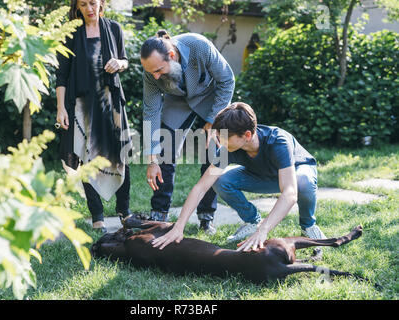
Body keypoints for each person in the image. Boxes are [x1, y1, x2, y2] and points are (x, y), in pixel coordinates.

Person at [152, 102, 326, 252]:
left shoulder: (278, 141)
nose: (220, 141)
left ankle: (308, 225)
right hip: (262, 176)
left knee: (304, 181)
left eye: (224, 138)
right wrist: (179, 226)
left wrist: (263, 230)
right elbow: (201, 187)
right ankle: (252, 221)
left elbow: (289, 193)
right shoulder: (227, 150)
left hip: (294, 174)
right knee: (221, 181)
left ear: (247, 135)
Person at [140, 30, 235, 234]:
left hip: (211, 98)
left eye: (158, 70)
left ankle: (206, 217)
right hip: (178, 102)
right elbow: (151, 111)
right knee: (164, 153)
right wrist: (151, 159)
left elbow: (227, 80)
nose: (154, 76)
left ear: (172, 56)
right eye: (151, 72)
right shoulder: (151, 70)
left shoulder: (199, 45)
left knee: (213, 154)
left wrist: (211, 122)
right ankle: (159, 214)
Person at [55, 0, 132, 232]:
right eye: (83, 4)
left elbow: (125, 61)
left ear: (101, 4)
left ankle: (124, 212)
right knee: (85, 158)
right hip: (81, 104)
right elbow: (61, 75)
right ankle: (97, 214)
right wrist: (61, 108)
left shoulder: (114, 28)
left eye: (93, 2)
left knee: (120, 154)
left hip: (110, 101)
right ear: (77, 7)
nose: (89, 8)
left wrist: (119, 63)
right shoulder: (70, 34)